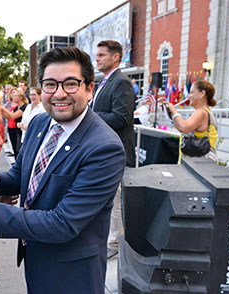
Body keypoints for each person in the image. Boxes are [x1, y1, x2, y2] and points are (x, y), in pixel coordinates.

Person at [0, 46, 126, 294]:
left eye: (70, 84)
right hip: (36, 257)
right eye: (50, 85)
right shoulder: (40, 122)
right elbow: (22, 176)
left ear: (89, 88)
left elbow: (63, 223)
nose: (59, 94)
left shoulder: (104, 147)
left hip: (72, 273)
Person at [91, 40, 135, 259]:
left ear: (115, 57)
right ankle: (108, 238)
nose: (96, 59)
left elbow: (121, 117)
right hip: (103, 151)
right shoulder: (105, 81)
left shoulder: (121, 82)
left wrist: (88, 115)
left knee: (116, 200)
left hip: (117, 153)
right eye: (96, 55)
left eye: (101, 55)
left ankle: (115, 244)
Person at [166, 80, 219, 162]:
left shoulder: (201, 112)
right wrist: (171, 115)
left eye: (191, 92)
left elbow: (184, 127)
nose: (188, 96)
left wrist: (174, 111)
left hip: (201, 162)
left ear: (202, 94)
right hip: (202, 161)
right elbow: (181, 128)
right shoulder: (205, 111)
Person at [1, 88, 28, 158]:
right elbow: (9, 116)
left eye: (15, 96)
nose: (13, 97)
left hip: (20, 131)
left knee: (19, 150)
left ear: (20, 97)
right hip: (15, 130)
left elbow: (13, 116)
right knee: (15, 149)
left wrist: (2, 108)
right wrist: (2, 111)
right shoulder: (17, 107)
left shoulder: (24, 107)